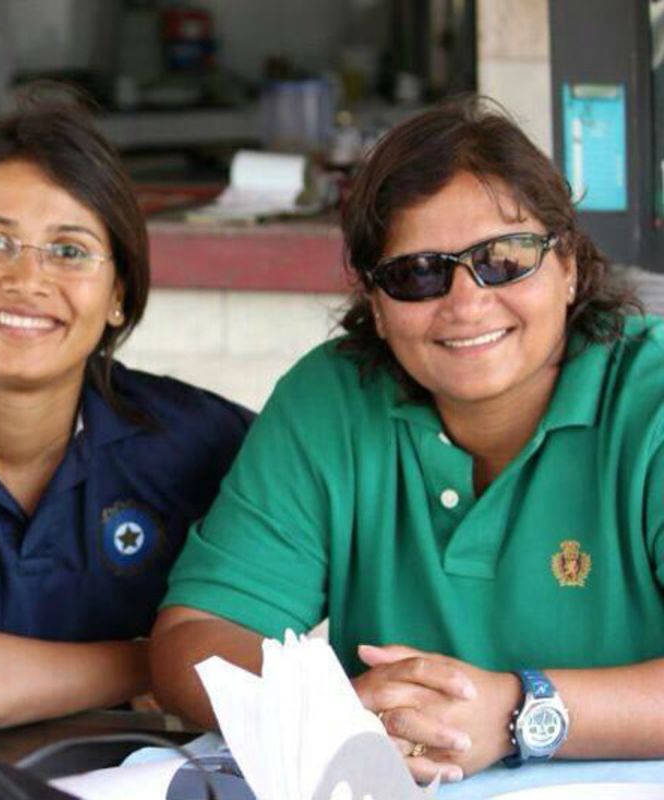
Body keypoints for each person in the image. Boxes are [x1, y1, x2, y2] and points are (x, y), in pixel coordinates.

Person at [150, 96, 663, 785]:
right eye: (418, 273)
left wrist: (519, 711)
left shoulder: (650, 396)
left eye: (505, 260)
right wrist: (324, 715)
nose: (466, 301)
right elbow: (195, 638)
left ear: (568, 265)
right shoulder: (330, 401)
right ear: (376, 305)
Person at [0, 100, 252, 738]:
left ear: (118, 295)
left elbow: (332, 528)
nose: (27, 277)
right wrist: (163, 662)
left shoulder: (197, 438)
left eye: (70, 250)